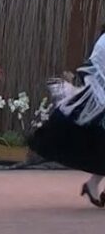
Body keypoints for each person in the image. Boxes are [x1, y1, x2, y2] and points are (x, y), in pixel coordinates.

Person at [29, 26, 105, 208]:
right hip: (98, 100)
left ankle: (92, 184)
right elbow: (94, 69)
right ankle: (92, 184)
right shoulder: (103, 42)